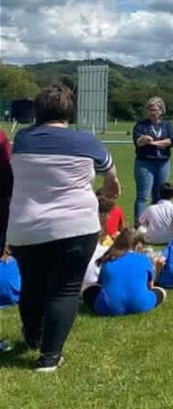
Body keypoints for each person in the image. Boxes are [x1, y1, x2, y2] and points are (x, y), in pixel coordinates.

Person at [8, 85, 121, 371]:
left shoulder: (22, 139)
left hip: (26, 226)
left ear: (38, 111)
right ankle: (50, 356)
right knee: (65, 289)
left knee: (32, 284)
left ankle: (33, 336)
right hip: (75, 225)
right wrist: (110, 186)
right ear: (70, 112)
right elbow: (110, 172)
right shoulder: (85, 141)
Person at [81, 228, 166, 316]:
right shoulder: (144, 258)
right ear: (138, 246)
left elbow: (101, 284)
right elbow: (150, 287)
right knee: (161, 291)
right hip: (140, 304)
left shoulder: (109, 259)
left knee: (87, 289)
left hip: (109, 307)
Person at [132, 96, 173, 224]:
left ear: (161, 111)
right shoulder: (141, 126)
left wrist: (154, 143)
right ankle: (139, 225)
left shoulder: (167, 125)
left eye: (155, 110)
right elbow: (137, 142)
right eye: (150, 110)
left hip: (163, 163)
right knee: (143, 196)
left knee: (160, 196)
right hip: (145, 163)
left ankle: (156, 224)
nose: (152, 113)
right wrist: (143, 140)